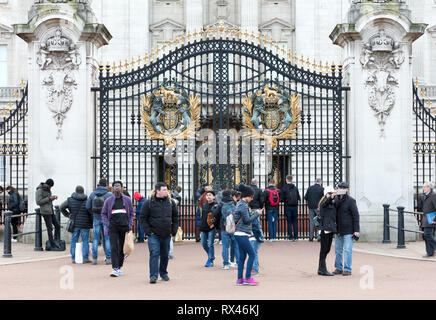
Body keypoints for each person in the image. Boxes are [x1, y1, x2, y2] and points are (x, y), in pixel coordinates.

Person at [140, 182, 178, 284]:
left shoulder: (171, 202)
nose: (167, 191)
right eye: (164, 189)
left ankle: (163, 273)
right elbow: (143, 218)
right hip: (153, 234)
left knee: (165, 255)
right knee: (154, 253)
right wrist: (149, 232)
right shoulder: (148, 203)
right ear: (158, 191)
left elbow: (175, 217)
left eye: (167, 189)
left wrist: (173, 231)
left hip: (166, 234)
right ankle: (153, 276)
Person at [101, 180, 134, 277]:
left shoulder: (127, 200)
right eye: (115, 186)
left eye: (118, 186)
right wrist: (108, 224)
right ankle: (115, 268)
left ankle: (119, 266)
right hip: (113, 227)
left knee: (121, 248)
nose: (117, 188)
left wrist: (130, 224)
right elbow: (103, 213)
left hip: (124, 227)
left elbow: (132, 213)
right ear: (112, 189)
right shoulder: (108, 200)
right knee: (113, 247)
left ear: (122, 188)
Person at [234, 184, 261, 286]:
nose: (252, 198)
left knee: (242, 257)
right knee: (252, 254)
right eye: (251, 196)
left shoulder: (240, 204)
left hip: (239, 233)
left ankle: (240, 279)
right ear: (247, 196)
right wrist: (257, 214)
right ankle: (248, 278)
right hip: (242, 233)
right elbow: (247, 220)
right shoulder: (243, 205)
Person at [333, 182, 360, 276]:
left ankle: (347, 268)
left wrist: (356, 230)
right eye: (340, 187)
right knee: (338, 250)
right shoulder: (335, 199)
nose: (341, 189)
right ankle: (338, 268)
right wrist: (332, 196)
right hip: (338, 229)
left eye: (343, 188)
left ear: (347, 189)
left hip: (348, 229)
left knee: (348, 250)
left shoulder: (351, 200)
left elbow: (355, 215)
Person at [60, 186, 92, 264]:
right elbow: (90, 212)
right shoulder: (87, 200)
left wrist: (67, 215)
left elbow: (61, 207)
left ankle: (74, 258)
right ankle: (85, 258)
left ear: (76, 191)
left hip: (74, 224)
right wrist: (91, 222)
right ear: (83, 191)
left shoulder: (70, 200)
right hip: (85, 223)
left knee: (74, 240)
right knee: (85, 241)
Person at [86, 178, 113, 265]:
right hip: (106, 218)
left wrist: (93, 213)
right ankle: (108, 258)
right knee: (107, 238)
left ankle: (94, 259)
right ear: (106, 185)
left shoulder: (92, 194)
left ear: (98, 184)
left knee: (95, 239)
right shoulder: (109, 194)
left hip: (96, 217)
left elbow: (87, 206)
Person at [215, 190, 239, 270]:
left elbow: (216, 215)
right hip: (234, 227)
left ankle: (225, 264)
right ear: (230, 195)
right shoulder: (234, 203)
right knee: (235, 246)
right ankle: (238, 262)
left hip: (224, 228)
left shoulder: (221, 204)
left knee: (225, 246)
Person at [317, 186, 337, 276]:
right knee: (324, 249)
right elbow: (325, 203)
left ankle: (321, 268)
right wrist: (331, 197)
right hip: (325, 229)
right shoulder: (324, 202)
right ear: (326, 194)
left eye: (332, 193)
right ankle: (323, 269)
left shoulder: (332, 202)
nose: (331, 195)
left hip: (330, 228)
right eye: (329, 193)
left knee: (327, 249)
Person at [35, 179, 60, 250]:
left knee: (57, 225)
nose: (50, 188)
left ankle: (55, 240)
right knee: (50, 228)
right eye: (50, 186)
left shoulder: (47, 189)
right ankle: (52, 244)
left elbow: (48, 200)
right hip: (45, 211)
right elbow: (38, 202)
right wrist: (49, 198)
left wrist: (52, 198)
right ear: (46, 184)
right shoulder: (39, 190)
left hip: (50, 211)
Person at [199, 190, 218, 267]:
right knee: (203, 243)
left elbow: (217, 216)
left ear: (213, 197)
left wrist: (214, 224)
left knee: (210, 244)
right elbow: (203, 216)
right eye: (207, 195)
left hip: (211, 227)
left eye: (210, 195)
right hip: (204, 227)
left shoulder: (216, 205)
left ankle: (210, 260)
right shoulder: (204, 205)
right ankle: (211, 255)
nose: (208, 196)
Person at [280, 175, 301, 241]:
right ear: (291, 180)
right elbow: (298, 197)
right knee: (295, 222)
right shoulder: (295, 188)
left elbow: (282, 199)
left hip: (287, 207)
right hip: (295, 207)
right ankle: (296, 237)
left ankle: (290, 237)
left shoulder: (284, 188)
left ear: (286, 180)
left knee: (289, 222)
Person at [420, 182, 436, 258]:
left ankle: (432, 249)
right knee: (426, 236)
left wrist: (435, 219)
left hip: (431, 218)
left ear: (429, 187)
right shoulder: (425, 196)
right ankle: (430, 252)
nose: (423, 188)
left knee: (427, 234)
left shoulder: (433, 196)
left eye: (424, 187)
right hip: (425, 218)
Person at [250, 210, 264, 276]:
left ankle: (254, 269)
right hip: (254, 237)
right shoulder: (254, 214)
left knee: (253, 253)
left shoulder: (252, 214)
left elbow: (256, 227)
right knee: (254, 253)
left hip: (253, 237)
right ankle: (255, 268)